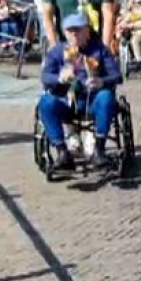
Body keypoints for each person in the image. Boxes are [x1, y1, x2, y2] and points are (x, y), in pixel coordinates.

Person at [38, 13, 121, 170]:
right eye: (70, 31)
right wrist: (59, 78)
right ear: (65, 33)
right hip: (66, 101)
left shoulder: (100, 50)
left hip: (92, 100)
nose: (74, 34)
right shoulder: (57, 52)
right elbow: (45, 77)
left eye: (78, 30)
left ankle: (99, 149)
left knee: (106, 97)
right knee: (45, 102)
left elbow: (116, 75)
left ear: (87, 31)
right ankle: (62, 152)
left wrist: (101, 81)